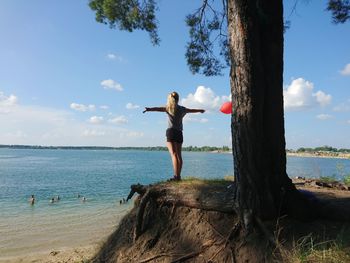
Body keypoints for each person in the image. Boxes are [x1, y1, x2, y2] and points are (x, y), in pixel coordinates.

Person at [143, 91, 205, 181]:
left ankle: (176, 176)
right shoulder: (182, 109)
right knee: (179, 155)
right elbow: (191, 110)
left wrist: (149, 109)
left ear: (169, 99)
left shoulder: (169, 108)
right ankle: (178, 176)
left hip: (171, 132)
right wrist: (200, 110)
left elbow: (158, 109)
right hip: (179, 133)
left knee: (173, 154)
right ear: (178, 99)